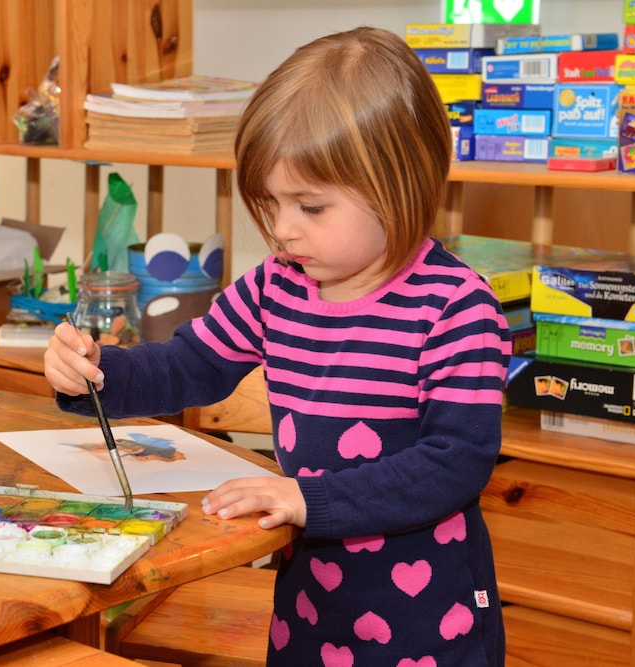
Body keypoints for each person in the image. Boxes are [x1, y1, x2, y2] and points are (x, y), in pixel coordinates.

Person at [45, 26, 510, 666]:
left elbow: (453, 464)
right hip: (308, 613)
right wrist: (97, 373)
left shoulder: (456, 307)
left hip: (428, 625)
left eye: (311, 207)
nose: (283, 229)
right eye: (271, 201)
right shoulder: (277, 285)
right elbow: (189, 366)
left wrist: (306, 499)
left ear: (401, 185)